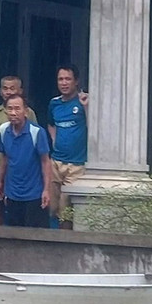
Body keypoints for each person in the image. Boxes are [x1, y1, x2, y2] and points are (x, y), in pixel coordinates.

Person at [0, 75, 37, 224]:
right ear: (0, 91)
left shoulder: (28, 113)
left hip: (18, 169)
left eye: (12, 88)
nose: (8, 92)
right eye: (5, 88)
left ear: (20, 91)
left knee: (16, 206)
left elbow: (34, 141)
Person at [0, 94, 54, 229]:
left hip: (34, 193)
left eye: (17, 109)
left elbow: (45, 162)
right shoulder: (3, 130)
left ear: (26, 111)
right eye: (10, 109)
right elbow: (5, 158)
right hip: (12, 193)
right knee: (14, 235)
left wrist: (46, 190)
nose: (13, 113)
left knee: (36, 235)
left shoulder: (37, 132)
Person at [47, 64, 88, 227]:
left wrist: (86, 106)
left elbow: (94, 128)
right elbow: (50, 124)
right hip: (56, 162)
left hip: (76, 165)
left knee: (67, 211)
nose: (64, 83)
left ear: (76, 81)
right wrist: (54, 140)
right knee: (52, 207)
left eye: (68, 79)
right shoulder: (54, 103)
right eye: (60, 79)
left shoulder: (83, 101)